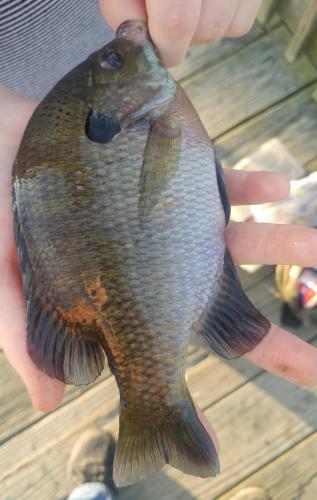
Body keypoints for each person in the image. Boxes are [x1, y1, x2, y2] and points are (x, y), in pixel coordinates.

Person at [0, 2, 317, 497]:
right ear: (106, 104)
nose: (123, 44)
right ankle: (153, 413)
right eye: (112, 63)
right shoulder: (142, 119)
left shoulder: (124, 109)